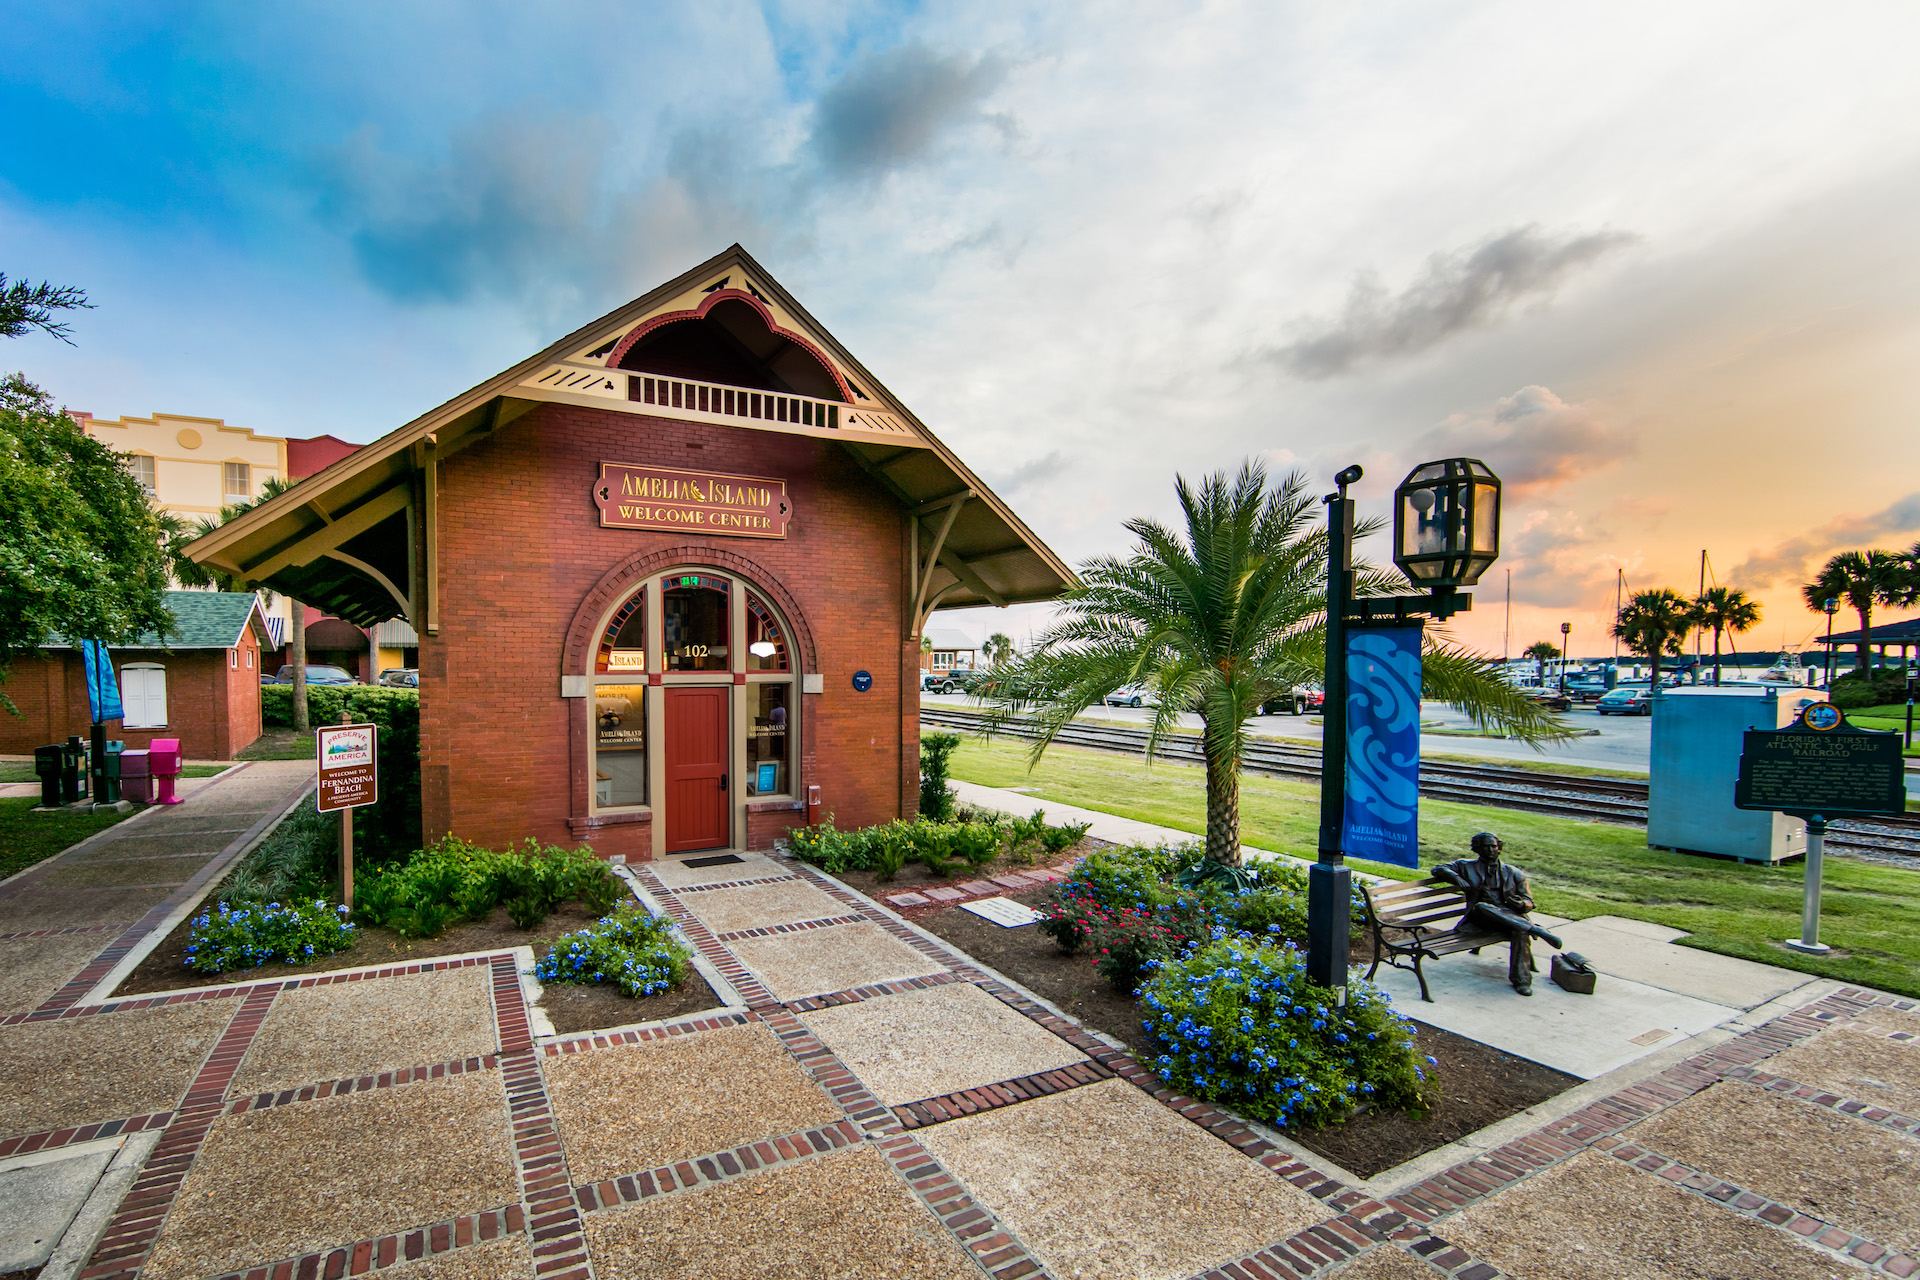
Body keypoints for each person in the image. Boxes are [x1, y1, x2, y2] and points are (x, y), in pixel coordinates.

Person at [1432, 832, 1563, 996]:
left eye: (1493, 846)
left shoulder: (1513, 872)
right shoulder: (1466, 866)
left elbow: (1529, 902)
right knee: (1482, 907)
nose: (1490, 850)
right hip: (1479, 921)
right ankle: (1536, 929)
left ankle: (1521, 981)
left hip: (1508, 921)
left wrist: (1521, 904)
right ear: (1477, 849)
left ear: (1499, 848)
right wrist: (1457, 878)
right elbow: (1437, 868)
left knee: (1520, 931)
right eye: (1485, 847)